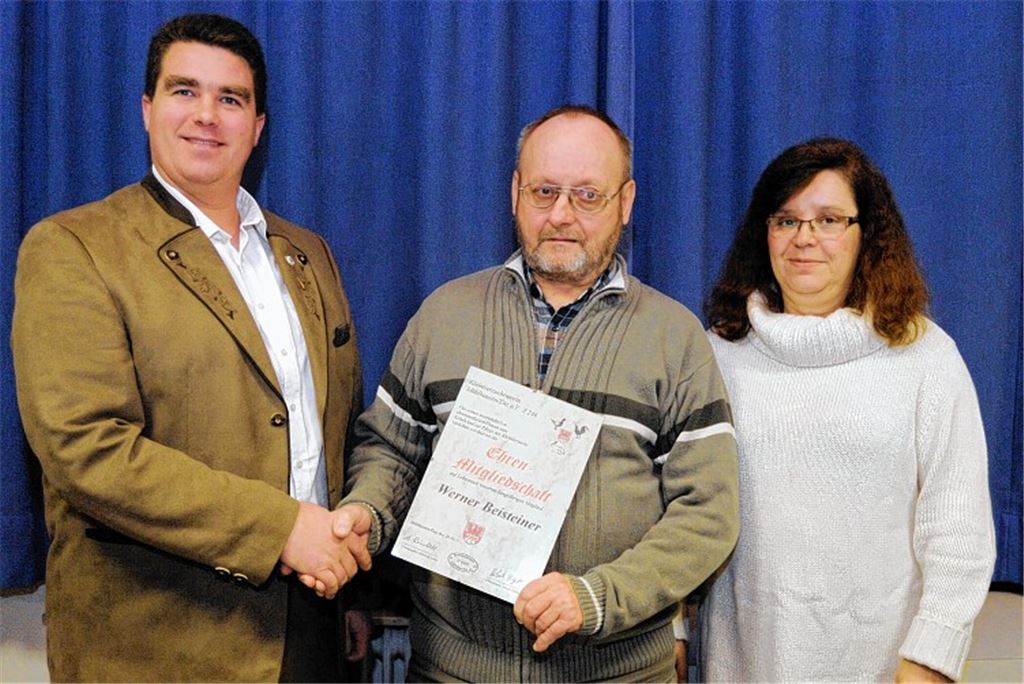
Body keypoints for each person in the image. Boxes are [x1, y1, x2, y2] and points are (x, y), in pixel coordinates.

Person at [326, 105, 739, 681]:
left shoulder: (674, 338)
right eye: (544, 191)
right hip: (449, 670)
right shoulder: (443, 315)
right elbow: (390, 450)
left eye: (587, 195)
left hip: (616, 674)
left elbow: (709, 512)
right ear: (515, 193)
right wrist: (369, 512)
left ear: (626, 202)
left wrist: (599, 597)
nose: (562, 215)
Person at [12, 14, 368, 682]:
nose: (207, 115)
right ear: (147, 109)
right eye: (184, 91)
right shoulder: (74, 249)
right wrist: (280, 529)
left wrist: (350, 591)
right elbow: (86, 449)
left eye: (230, 98)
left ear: (258, 126)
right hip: (157, 647)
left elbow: (336, 431)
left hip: (312, 629)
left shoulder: (308, 255)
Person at [701, 138, 996, 682]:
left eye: (830, 219)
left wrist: (932, 656)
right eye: (786, 221)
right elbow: (682, 506)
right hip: (740, 664)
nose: (804, 239)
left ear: (868, 235)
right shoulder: (717, 355)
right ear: (762, 234)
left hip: (885, 669)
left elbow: (958, 531)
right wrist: (672, 627)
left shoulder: (925, 357)